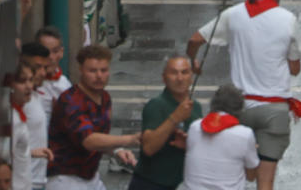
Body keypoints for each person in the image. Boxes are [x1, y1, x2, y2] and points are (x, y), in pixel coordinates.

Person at [185, 0, 300, 190]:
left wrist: (193, 62)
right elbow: (295, 68)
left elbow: (195, 39)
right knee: (265, 181)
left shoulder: (234, 14)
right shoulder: (288, 20)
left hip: (239, 108)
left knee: (232, 171)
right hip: (274, 109)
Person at [45, 45, 141, 190]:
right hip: (64, 178)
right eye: (92, 71)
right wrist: (130, 139)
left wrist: (116, 150)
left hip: (90, 177)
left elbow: (100, 137)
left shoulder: (105, 98)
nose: (99, 76)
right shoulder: (70, 100)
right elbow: (88, 140)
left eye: (103, 70)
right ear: (81, 70)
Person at [130, 57, 201, 190]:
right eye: (174, 73)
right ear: (164, 78)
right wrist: (175, 118)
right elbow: (148, 148)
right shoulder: (156, 105)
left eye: (184, 72)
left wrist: (189, 145)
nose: (180, 78)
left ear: (191, 77)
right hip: (151, 183)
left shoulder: (196, 107)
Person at [179, 85, 261, 190]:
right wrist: (253, 150)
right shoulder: (244, 134)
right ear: (240, 109)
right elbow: (251, 176)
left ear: (213, 104)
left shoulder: (195, 127)